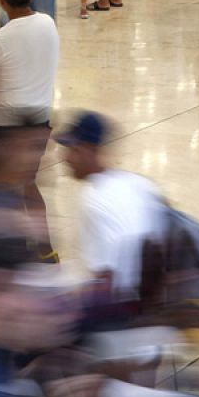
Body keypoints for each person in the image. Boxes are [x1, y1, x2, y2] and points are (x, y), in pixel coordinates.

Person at [0, 0, 60, 253]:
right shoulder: (48, 23)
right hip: (39, 119)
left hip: (3, 124)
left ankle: (10, 253)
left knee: (4, 190)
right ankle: (45, 249)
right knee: (28, 184)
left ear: (1, 0)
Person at [56, 111, 164, 297]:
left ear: (92, 150)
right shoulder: (138, 183)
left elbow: (106, 278)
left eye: (74, 150)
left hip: (124, 308)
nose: (66, 158)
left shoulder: (93, 199)